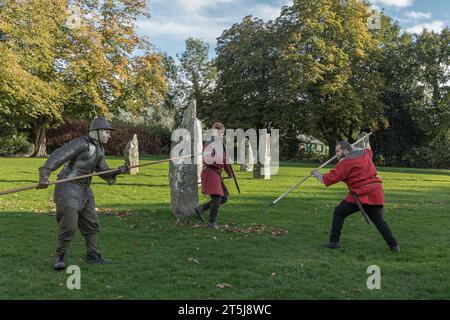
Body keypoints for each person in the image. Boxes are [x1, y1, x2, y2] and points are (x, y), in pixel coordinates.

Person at [37, 117, 130, 270]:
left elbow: (102, 171)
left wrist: (118, 171)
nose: (109, 136)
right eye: (107, 132)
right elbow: (59, 155)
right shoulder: (81, 143)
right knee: (69, 226)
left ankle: (92, 255)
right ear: (97, 132)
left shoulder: (99, 149)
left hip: (84, 190)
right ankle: (60, 257)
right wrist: (44, 175)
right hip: (68, 188)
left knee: (91, 224)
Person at [311, 134, 400, 252]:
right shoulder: (365, 154)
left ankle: (334, 242)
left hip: (360, 193)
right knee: (379, 221)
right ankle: (394, 246)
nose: (336, 154)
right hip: (375, 192)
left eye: (338, 151)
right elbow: (368, 149)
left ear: (347, 150)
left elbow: (327, 179)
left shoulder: (344, 164)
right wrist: (361, 145)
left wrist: (316, 173)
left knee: (339, 212)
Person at [195, 122, 234, 229]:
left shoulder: (220, 144)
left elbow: (225, 161)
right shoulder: (209, 143)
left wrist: (230, 173)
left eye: (222, 133)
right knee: (217, 199)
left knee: (224, 198)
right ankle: (212, 223)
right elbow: (207, 160)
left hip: (217, 174)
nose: (221, 135)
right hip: (210, 173)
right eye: (219, 133)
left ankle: (201, 208)